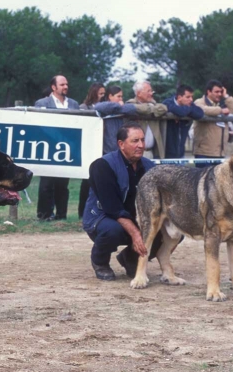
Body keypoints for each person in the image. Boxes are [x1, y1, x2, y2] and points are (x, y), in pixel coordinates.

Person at [82, 122, 155, 280]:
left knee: (170, 232)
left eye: (143, 140)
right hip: (102, 218)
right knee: (113, 230)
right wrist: (136, 234)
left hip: (137, 219)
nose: (141, 145)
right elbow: (112, 208)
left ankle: (130, 258)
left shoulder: (151, 168)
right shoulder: (102, 166)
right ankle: (100, 261)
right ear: (121, 144)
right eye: (135, 141)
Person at [34, 75, 79, 220]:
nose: (65, 87)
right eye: (62, 84)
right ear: (53, 87)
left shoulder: (73, 104)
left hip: (66, 149)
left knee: (62, 185)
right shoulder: (42, 103)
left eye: (66, 84)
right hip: (47, 148)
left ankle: (61, 215)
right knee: (46, 184)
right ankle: (44, 215)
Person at [191, 79, 233, 168]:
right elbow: (201, 109)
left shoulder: (222, 103)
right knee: (202, 181)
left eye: (221, 92)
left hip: (220, 153)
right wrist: (220, 111)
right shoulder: (199, 102)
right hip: (204, 153)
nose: (219, 94)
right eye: (216, 91)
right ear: (208, 92)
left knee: (217, 181)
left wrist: (226, 96)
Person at [78, 83, 106, 218]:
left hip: (102, 147)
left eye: (104, 93)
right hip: (89, 148)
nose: (102, 96)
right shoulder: (84, 107)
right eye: (100, 93)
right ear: (94, 93)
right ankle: (82, 212)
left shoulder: (106, 107)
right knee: (86, 182)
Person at [125, 80, 168, 159]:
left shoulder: (153, 103)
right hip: (136, 153)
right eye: (148, 91)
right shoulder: (130, 104)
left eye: (151, 91)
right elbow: (137, 108)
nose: (151, 93)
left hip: (152, 152)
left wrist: (150, 108)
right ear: (138, 93)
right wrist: (151, 109)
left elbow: (164, 108)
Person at [162, 84, 204, 158]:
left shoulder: (189, 104)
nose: (191, 99)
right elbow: (181, 112)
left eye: (192, 97)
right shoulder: (167, 103)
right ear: (179, 97)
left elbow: (200, 113)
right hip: (166, 154)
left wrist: (187, 109)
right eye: (188, 97)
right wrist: (189, 110)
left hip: (180, 153)